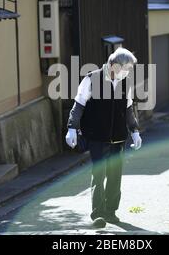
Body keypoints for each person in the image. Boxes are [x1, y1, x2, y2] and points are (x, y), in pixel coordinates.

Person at [65, 47, 142, 228]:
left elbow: (129, 109)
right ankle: (98, 214)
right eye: (126, 68)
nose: (128, 72)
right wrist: (71, 128)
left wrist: (135, 131)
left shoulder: (126, 83)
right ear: (114, 65)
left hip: (118, 137)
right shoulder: (91, 79)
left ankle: (110, 211)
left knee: (115, 176)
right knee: (99, 174)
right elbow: (78, 106)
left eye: (129, 69)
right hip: (97, 136)